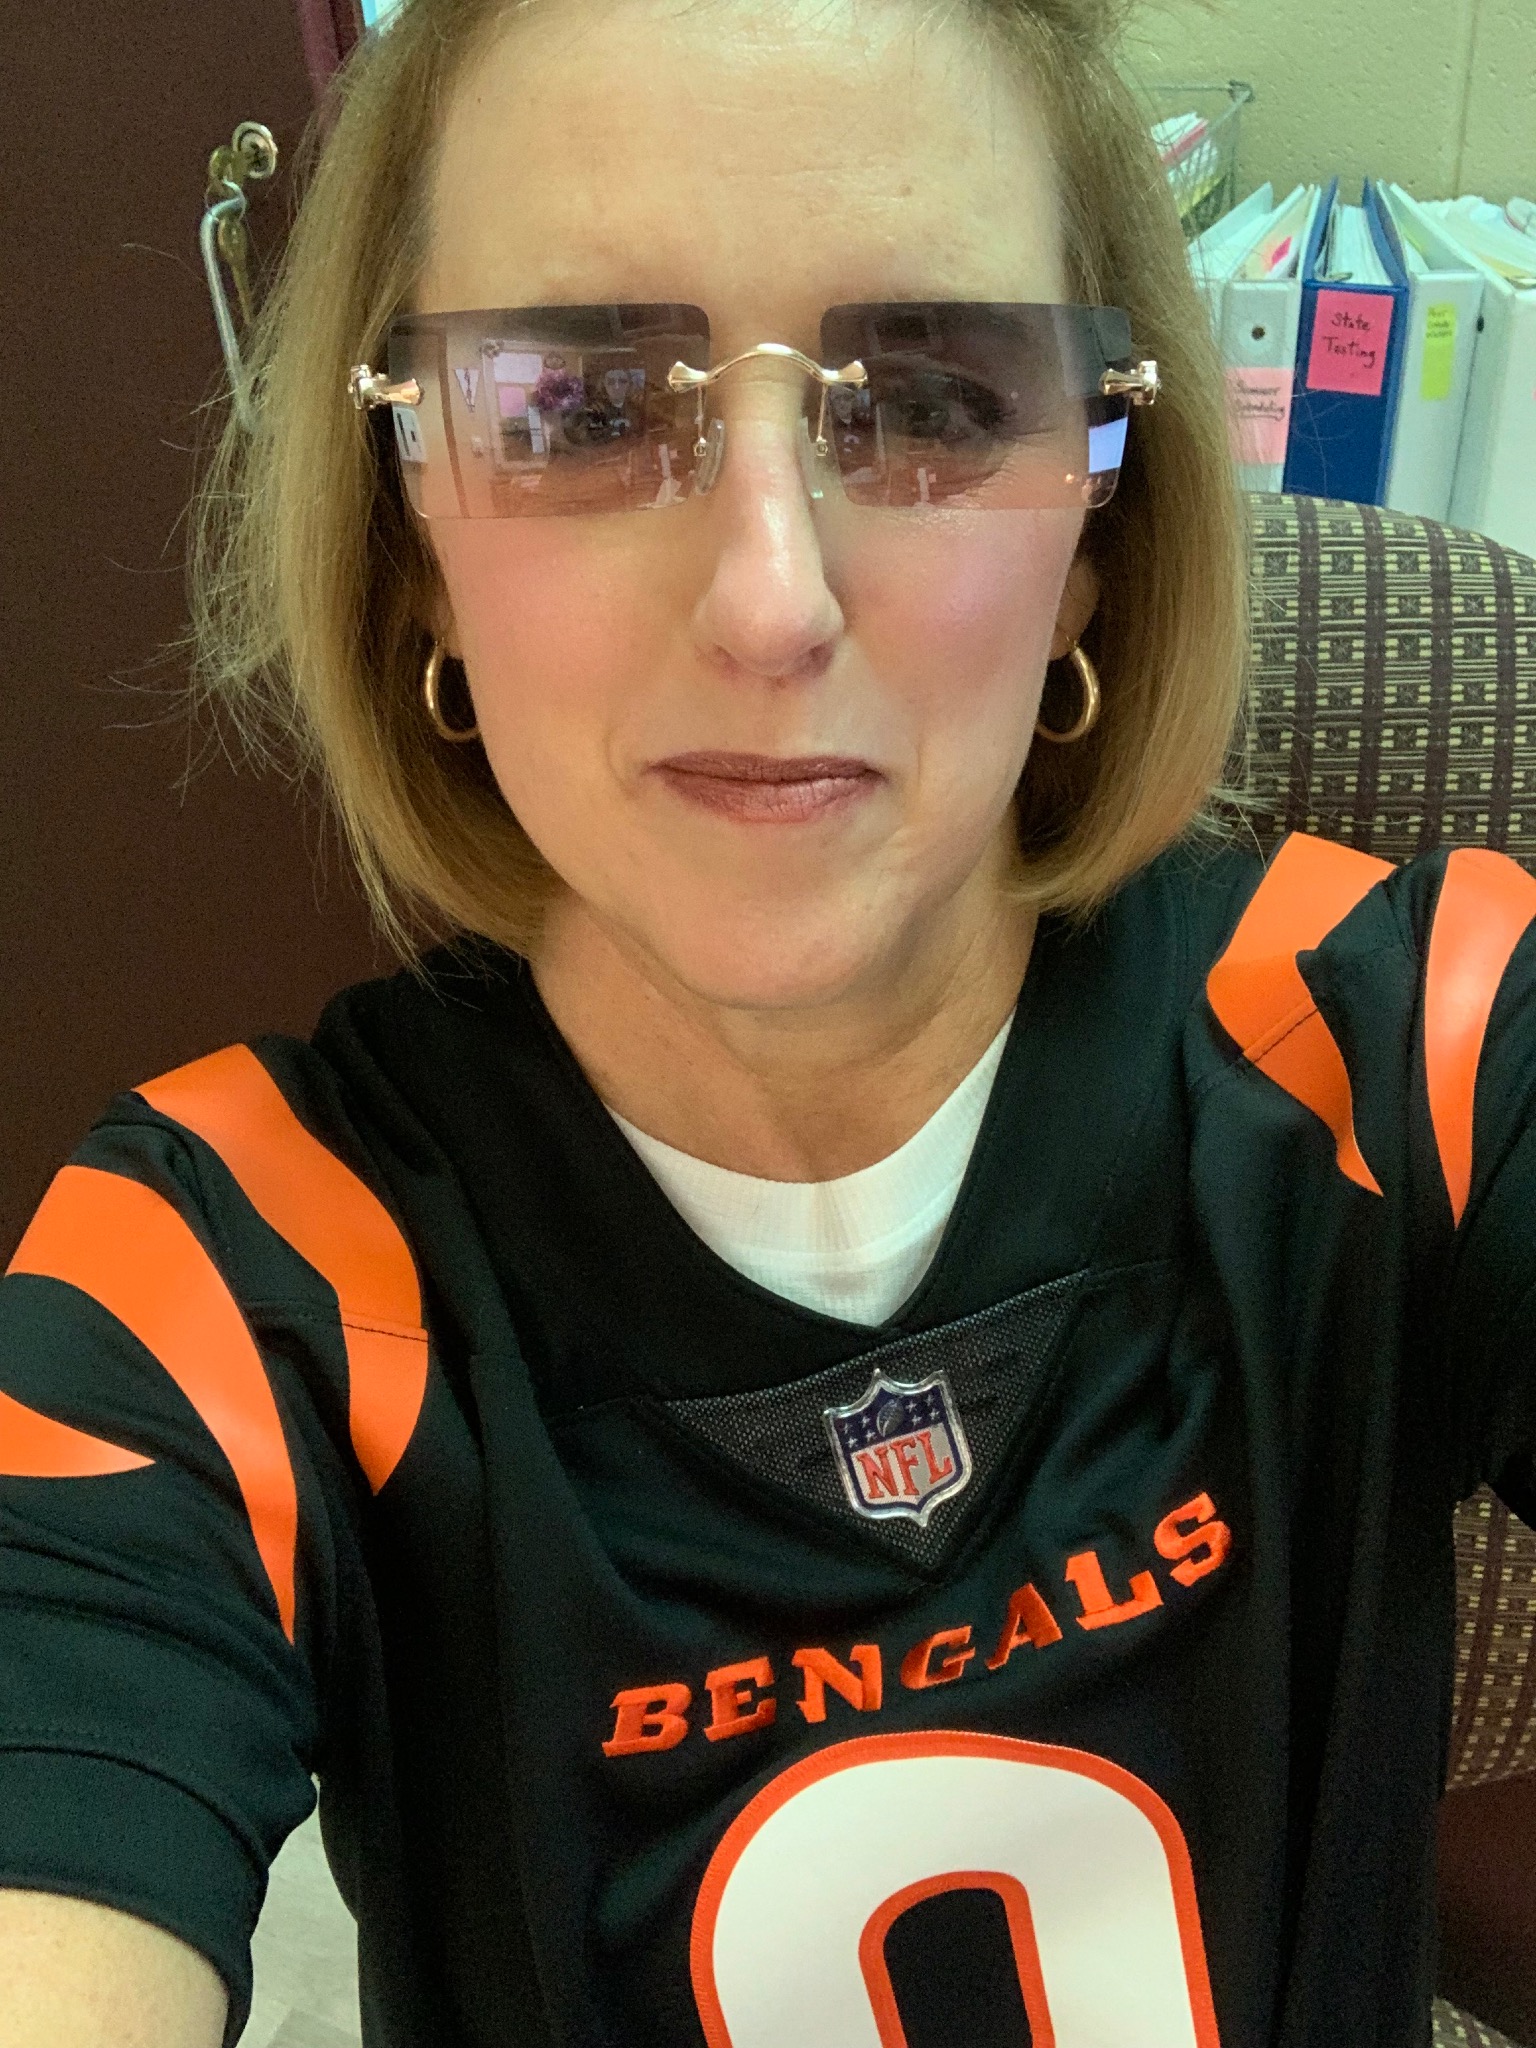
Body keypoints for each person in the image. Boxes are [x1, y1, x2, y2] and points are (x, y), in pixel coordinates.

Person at [1, 0, 1532, 2042]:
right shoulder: (219, 1277)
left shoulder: (1424, 1046)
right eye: (576, 407)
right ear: (411, 537)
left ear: (1095, 537)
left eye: (935, 396)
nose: (770, 603)